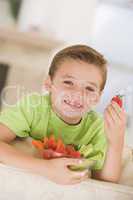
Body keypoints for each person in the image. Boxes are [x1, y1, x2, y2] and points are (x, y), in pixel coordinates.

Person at [0, 45, 126, 185]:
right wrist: (46, 168)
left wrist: (116, 141)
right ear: (48, 83)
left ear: (97, 97)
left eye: (89, 88)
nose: (78, 94)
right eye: (68, 82)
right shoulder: (33, 106)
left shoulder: (97, 127)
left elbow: (105, 182)